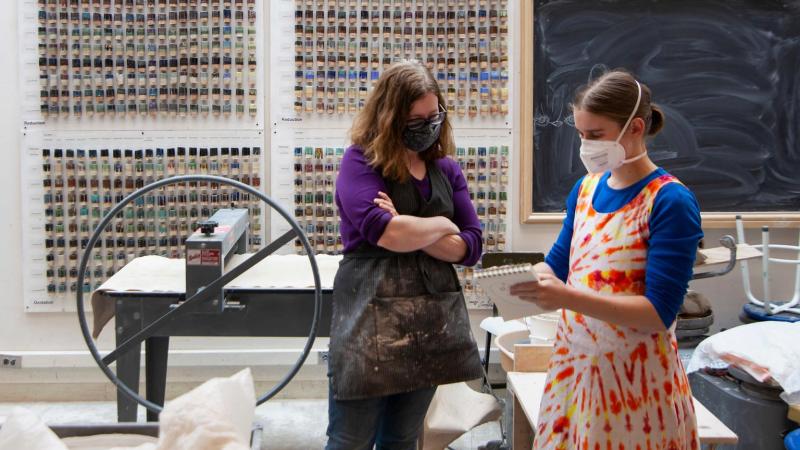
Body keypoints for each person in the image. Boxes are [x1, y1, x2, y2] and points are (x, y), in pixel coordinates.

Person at [510, 70, 702, 449]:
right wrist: (529, 279)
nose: (585, 145)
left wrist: (566, 298)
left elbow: (658, 313)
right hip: (575, 375)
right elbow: (559, 262)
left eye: (596, 135)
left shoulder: (669, 201)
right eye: (581, 134)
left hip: (636, 391)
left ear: (635, 128)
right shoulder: (585, 189)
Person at [325, 60, 484, 450]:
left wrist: (412, 226)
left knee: (402, 439)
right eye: (416, 119)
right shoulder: (360, 161)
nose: (427, 125)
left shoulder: (444, 168)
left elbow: (471, 247)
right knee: (350, 440)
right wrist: (443, 227)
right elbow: (388, 234)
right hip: (369, 319)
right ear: (390, 117)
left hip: (429, 323)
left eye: (434, 116)